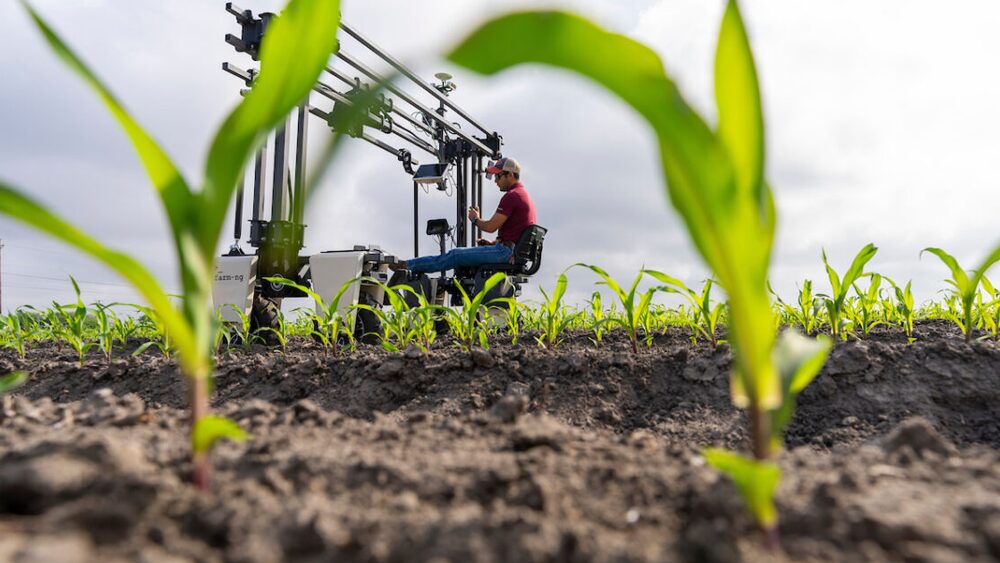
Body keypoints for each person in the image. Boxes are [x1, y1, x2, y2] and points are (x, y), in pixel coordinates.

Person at [392, 156, 537, 273]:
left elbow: (490, 227)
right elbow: (516, 234)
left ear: (510, 175)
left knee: (455, 255)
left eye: (498, 176)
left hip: (505, 253)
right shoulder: (523, 195)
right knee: (460, 257)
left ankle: (407, 266)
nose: (495, 181)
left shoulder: (512, 196)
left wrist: (475, 219)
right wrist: (493, 243)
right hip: (509, 251)